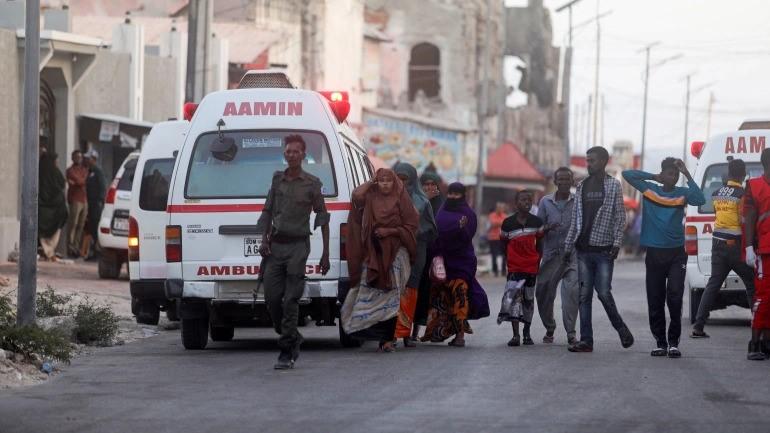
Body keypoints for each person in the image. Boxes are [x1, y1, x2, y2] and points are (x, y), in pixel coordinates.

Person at [256, 135, 331, 369]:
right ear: (284, 154)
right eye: (288, 151)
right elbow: (268, 211)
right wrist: (263, 240)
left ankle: (286, 351)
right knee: (271, 299)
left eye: (296, 151)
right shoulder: (277, 180)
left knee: (291, 300)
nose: (291, 155)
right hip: (275, 247)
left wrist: (325, 254)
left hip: (299, 247)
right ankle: (292, 334)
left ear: (303, 155)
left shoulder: (312, 183)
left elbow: (323, 218)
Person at [623, 158, 705, 357]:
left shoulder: (683, 193)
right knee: (655, 299)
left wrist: (686, 173)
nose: (674, 178)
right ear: (662, 174)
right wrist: (653, 176)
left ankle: (674, 342)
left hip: (677, 253)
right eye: (670, 174)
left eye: (676, 175)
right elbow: (627, 175)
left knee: (675, 297)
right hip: (654, 253)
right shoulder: (649, 189)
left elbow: (700, 199)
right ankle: (660, 342)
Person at [340, 168, 418, 352]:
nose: (384, 184)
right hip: (374, 251)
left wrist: (390, 231)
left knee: (392, 294)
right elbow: (356, 195)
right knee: (373, 292)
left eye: (388, 180)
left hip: (397, 251)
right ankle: (374, 335)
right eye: (381, 180)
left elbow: (411, 224)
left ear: (394, 183)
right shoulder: (370, 195)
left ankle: (388, 339)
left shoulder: (401, 197)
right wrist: (371, 182)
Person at [564, 146, 634, 353]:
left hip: (604, 250)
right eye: (587, 161)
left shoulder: (613, 186)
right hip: (583, 250)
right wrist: (567, 248)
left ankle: (620, 328)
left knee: (603, 293)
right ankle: (587, 340)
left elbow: (620, 218)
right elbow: (575, 222)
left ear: (604, 161)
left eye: (592, 160)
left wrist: (616, 244)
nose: (589, 164)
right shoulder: (582, 186)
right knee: (584, 296)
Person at [692, 159, 755, 339]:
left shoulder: (717, 193)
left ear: (729, 173)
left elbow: (719, 214)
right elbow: (744, 220)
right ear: (743, 175)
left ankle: (698, 326)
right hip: (735, 246)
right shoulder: (742, 193)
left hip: (717, 244)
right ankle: (758, 326)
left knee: (712, 285)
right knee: (752, 285)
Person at [422, 182, 487, 347]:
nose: (452, 197)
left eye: (456, 194)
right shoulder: (441, 211)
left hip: (462, 262)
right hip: (443, 262)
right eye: (450, 193)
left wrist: (461, 229)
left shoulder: (468, 214)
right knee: (442, 296)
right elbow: (436, 233)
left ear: (463, 196)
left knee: (460, 295)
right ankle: (438, 332)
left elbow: (467, 237)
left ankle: (460, 336)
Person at [393, 162, 437, 347]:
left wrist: (412, 232)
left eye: (405, 179)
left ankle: (405, 334)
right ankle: (391, 335)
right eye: (398, 179)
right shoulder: (386, 198)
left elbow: (431, 229)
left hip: (417, 251)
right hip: (394, 250)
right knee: (394, 290)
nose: (402, 183)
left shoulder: (422, 202)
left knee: (410, 290)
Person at [536, 167, 579, 345]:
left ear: (572, 182)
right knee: (543, 293)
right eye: (560, 180)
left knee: (571, 293)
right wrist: (546, 228)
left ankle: (571, 333)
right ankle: (550, 327)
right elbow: (537, 229)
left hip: (572, 255)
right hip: (551, 255)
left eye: (566, 180)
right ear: (555, 182)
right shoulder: (545, 202)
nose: (563, 183)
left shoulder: (578, 202)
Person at [497, 190, 543, 346]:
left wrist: (538, 262)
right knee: (514, 300)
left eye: (529, 200)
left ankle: (527, 333)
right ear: (516, 203)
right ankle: (515, 335)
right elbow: (503, 244)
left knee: (528, 301)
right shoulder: (507, 223)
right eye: (523, 200)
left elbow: (540, 244)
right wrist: (508, 262)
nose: (527, 202)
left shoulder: (537, 222)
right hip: (515, 269)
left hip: (531, 268)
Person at [412, 170, 445, 340]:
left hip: (436, 256)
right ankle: (413, 332)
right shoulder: (414, 201)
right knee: (415, 290)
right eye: (426, 184)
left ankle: (433, 331)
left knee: (434, 293)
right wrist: (426, 202)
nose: (430, 187)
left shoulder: (443, 205)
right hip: (418, 253)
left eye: (433, 184)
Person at [743, 148, 770, 360]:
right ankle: (754, 344)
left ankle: (766, 343)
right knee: (763, 297)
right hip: (765, 251)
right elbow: (750, 217)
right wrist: (749, 248)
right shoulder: (754, 186)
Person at [38, 152, 68, 261]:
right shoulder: (55, 172)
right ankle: (49, 251)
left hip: (42, 209)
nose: (57, 163)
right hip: (56, 210)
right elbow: (62, 184)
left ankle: (46, 250)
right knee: (55, 231)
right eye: (56, 160)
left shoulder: (39, 172)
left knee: (42, 231)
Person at [65, 150, 89, 258]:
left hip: (84, 200)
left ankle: (76, 246)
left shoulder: (84, 169)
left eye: (80, 157)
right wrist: (79, 181)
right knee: (73, 224)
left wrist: (77, 182)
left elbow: (82, 181)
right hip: (75, 199)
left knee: (81, 225)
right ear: (72, 158)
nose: (78, 158)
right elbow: (80, 180)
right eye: (76, 157)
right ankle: (70, 247)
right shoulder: (69, 170)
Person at [84, 149, 105, 260]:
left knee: (96, 228)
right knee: (92, 228)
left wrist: (99, 202)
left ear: (94, 159)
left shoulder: (97, 171)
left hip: (96, 205)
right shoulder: (90, 171)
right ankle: (93, 252)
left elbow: (102, 187)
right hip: (91, 204)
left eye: (89, 158)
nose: (87, 160)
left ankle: (97, 253)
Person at [487, 203, 507, 277]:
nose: (500, 209)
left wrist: (497, 223)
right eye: (499, 207)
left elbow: (506, 224)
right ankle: (495, 271)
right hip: (493, 238)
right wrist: (501, 223)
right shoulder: (492, 215)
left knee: (504, 255)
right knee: (494, 255)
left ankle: (503, 271)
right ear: (496, 208)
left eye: (501, 208)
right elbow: (492, 223)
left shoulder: (504, 215)